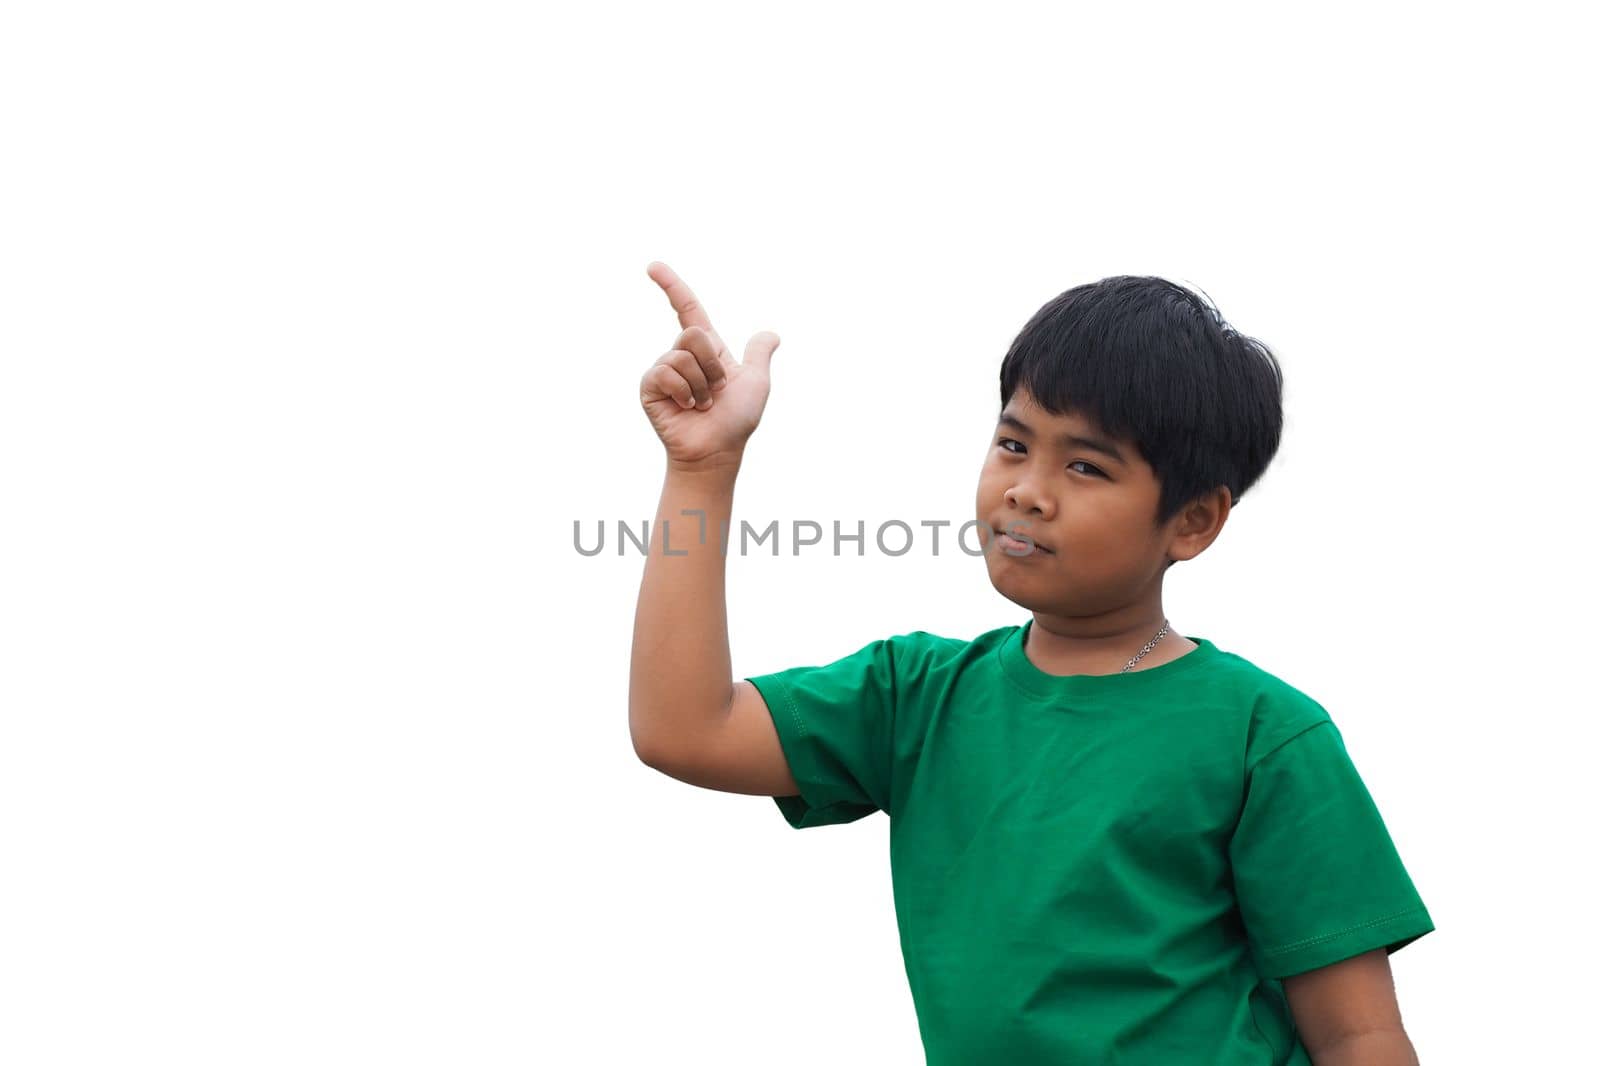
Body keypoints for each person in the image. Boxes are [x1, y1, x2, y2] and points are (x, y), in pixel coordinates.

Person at [628, 261, 1434, 1065]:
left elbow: (1357, 1032)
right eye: (1014, 444)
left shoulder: (1264, 735)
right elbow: (685, 729)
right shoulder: (917, 699)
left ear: (1192, 521)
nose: (1027, 491)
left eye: (1085, 466)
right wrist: (702, 471)